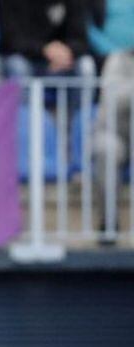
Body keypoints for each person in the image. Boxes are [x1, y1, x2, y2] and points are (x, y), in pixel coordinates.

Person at [92, 49, 133, 244]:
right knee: (105, 149)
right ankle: (109, 223)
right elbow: (112, 97)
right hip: (116, 132)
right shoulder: (118, 59)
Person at [0, 0, 95, 79]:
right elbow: (10, 40)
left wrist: (67, 51)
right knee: (17, 65)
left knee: (86, 64)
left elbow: (81, 39)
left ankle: (79, 106)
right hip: (27, 58)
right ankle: (22, 105)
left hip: (62, 59)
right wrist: (44, 50)